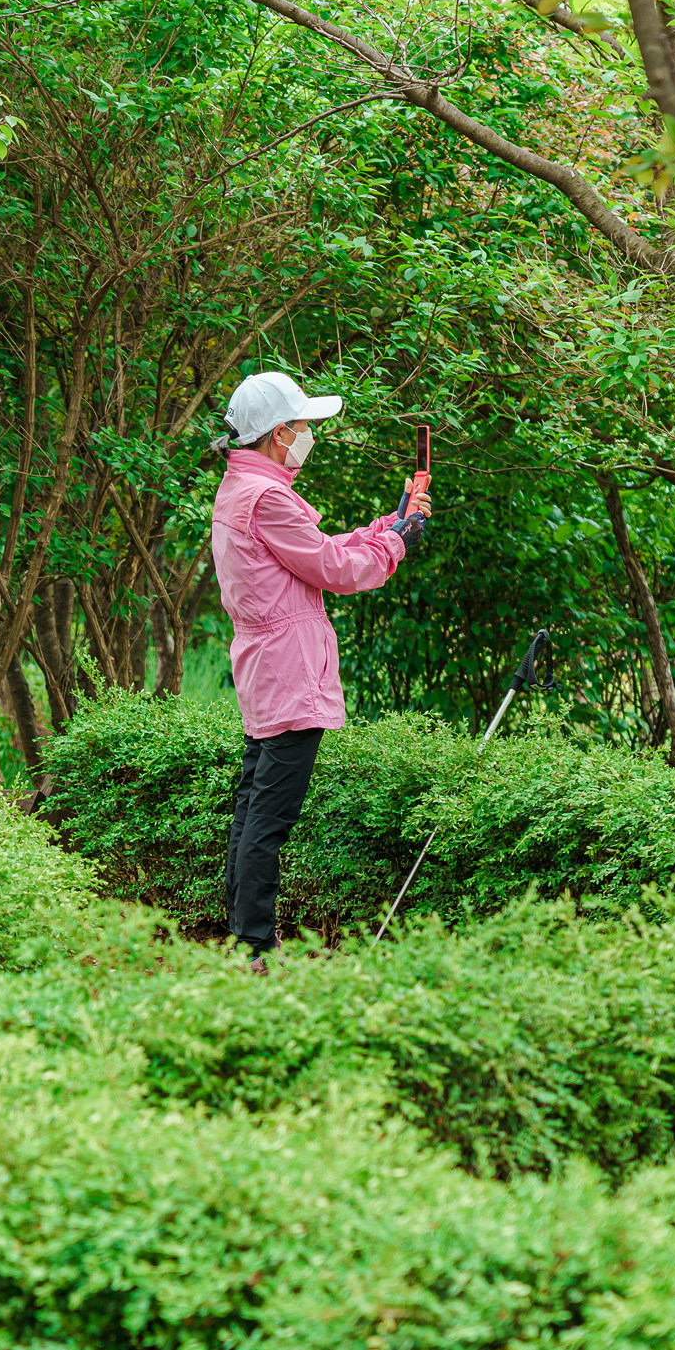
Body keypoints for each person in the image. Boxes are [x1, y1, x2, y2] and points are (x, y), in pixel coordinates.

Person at [211, 371, 431, 974]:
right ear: (280, 434)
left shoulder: (244, 488)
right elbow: (334, 569)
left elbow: (312, 551)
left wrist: (387, 527)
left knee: (254, 807)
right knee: (268, 817)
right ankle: (255, 950)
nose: (309, 436)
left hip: (267, 667)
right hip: (288, 670)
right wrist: (400, 542)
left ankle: (244, 941)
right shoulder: (270, 498)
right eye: (304, 427)